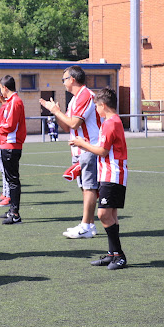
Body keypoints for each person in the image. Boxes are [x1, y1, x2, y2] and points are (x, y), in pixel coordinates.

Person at [69, 88, 128, 270]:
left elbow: (102, 151)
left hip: (113, 173)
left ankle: (119, 255)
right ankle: (113, 254)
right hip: (109, 174)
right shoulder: (111, 122)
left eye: (96, 106)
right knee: (111, 215)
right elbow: (104, 148)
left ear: (103, 105)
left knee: (103, 214)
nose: (96, 110)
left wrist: (82, 144)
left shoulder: (111, 123)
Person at [40, 65, 101, 238]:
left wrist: (57, 111)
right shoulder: (75, 99)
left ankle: (86, 226)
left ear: (72, 79)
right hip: (79, 149)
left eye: (64, 79)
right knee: (84, 187)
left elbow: (75, 123)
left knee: (89, 187)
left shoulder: (85, 95)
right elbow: (67, 126)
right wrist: (55, 113)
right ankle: (89, 224)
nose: (63, 83)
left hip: (89, 147)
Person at [0, 75, 26, 225]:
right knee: (9, 179)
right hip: (7, 144)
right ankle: (12, 210)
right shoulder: (10, 102)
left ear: (5, 88)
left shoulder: (15, 102)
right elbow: (4, 123)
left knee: (13, 180)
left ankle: (15, 214)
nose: (0, 91)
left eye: (1, 88)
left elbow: (10, 126)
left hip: (11, 145)